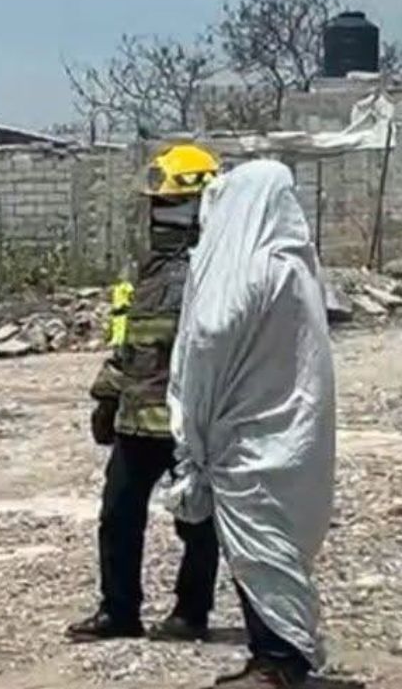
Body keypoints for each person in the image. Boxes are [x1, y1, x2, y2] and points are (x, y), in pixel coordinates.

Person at [163, 159, 336, 689]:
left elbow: (210, 336)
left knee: (257, 545)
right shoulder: (297, 264)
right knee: (279, 546)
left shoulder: (247, 269)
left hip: (247, 437)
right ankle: (284, 653)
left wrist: (192, 421)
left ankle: (278, 659)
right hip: (295, 434)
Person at [67, 143, 222, 643]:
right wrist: (107, 396)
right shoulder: (151, 269)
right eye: (157, 206)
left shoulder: (217, 270)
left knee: (196, 521)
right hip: (137, 419)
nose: (160, 216)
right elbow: (132, 344)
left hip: (188, 422)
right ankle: (119, 611)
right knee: (117, 515)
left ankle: (191, 613)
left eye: (170, 204)